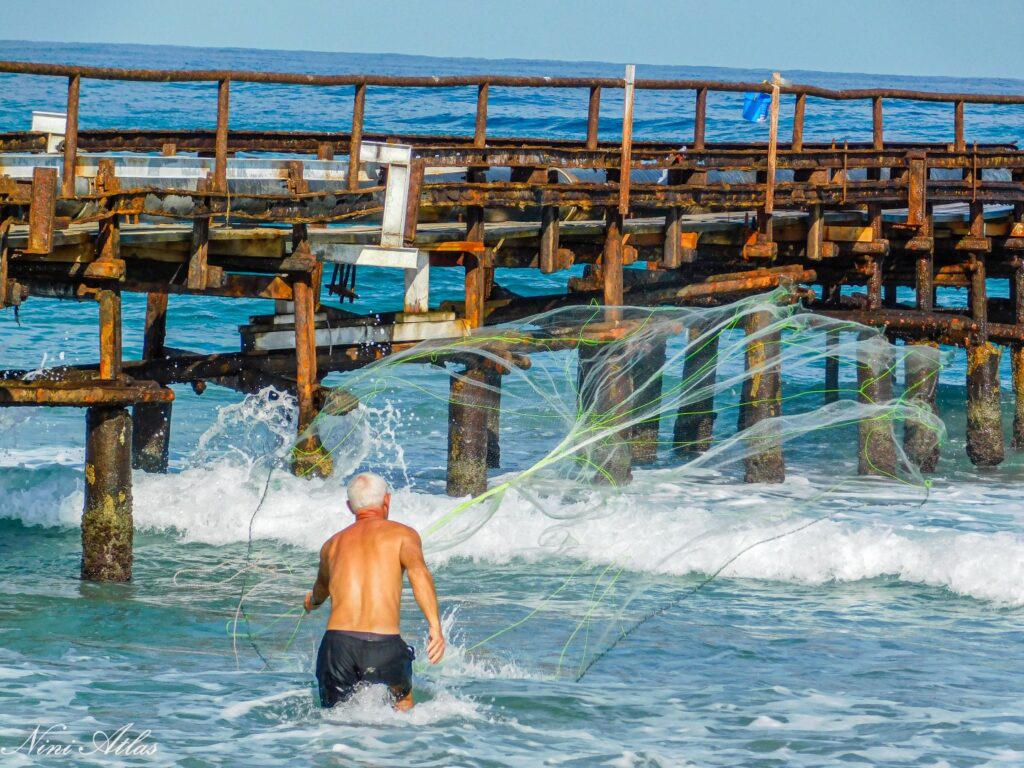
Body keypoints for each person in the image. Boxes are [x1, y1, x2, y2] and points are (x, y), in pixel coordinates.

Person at [304, 472, 445, 711]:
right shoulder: (403, 534)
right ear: (387, 500)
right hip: (384, 645)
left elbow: (321, 588)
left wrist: (311, 602)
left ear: (350, 507)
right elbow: (418, 574)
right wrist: (435, 626)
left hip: (338, 647)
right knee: (402, 704)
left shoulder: (332, 544)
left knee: (334, 720)